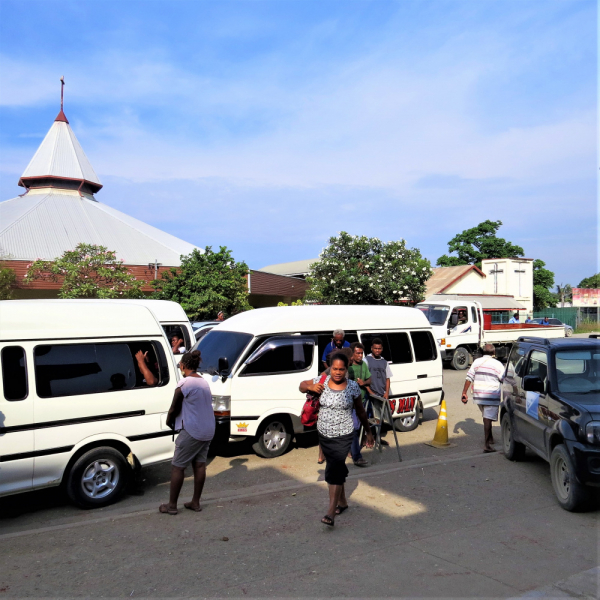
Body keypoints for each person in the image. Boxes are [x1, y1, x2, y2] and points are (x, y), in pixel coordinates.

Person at [300, 352, 374, 527]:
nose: (338, 372)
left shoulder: (353, 387)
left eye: (341, 369)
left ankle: (330, 512)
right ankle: (343, 503)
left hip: (344, 434)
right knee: (336, 468)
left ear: (346, 369)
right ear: (330, 368)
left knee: (334, 469)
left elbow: (361, 412)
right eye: (335, 369)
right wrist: (310, 388)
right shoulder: (322, 381)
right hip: (324, 434)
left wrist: (369, 431)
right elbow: (302, 386)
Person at [159, 350, 215, 515]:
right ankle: (195, 503)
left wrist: (169, 421)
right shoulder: (204, 382)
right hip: (208, 429)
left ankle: (171, 506)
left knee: (177, 467)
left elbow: (174, 407)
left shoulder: (185, 384)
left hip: (192, 430)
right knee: (199, 465)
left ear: (183, 365)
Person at [460, 343, 504, 453]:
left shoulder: (476, 362)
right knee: (487, 418)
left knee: (486, 417)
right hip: (491, 395)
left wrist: (464, 392)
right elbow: (503, 379)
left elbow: (469, 377)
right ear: (493, 352)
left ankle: (490, 438)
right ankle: (486, 445)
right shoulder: (498, 364)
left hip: (479, 396)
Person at [348, 342, 371, 467]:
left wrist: (364, 383)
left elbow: (370, 379)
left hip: (361, 401)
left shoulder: (363, 365)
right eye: (358, 353)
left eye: (362, 353)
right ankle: (356, 455)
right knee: (355, 428)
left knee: (356, 428)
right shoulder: (348, 366)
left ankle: (354, 452)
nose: (360, 356)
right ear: (352, 354)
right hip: (349, 403)